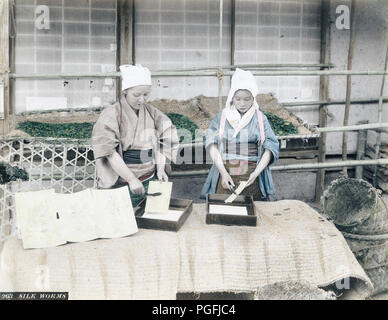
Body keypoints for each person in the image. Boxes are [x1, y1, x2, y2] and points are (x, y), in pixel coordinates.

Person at [92, 64, 180, 206]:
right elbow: (108, 152)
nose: (142, 100)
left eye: (146, 94)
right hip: (122, 181)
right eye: (136, 95)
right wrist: (131, 179)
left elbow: (167, 137)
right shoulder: (111, 114)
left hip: (149, 178)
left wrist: (160, 168)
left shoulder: (152, 112)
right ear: (125, 91)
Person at [200, 68, 279, 201]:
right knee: (224, 209)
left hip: (252, 173)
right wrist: (223, 173)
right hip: (226, 171)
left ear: (253, 98)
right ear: (232, 97)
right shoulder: (222, 117)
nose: (242, 104)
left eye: (247, 99)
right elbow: (211, 144)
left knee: (252, 209)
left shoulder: (260, 118)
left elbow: (270, 146)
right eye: (238, 99)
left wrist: (256, 173)